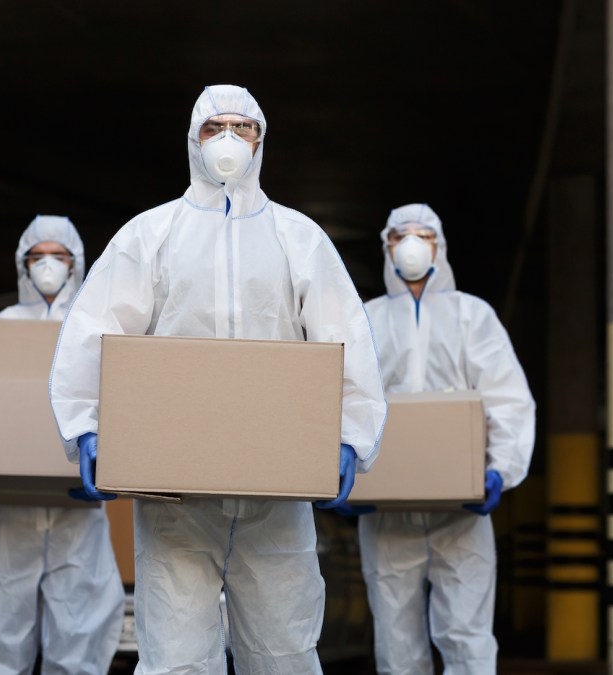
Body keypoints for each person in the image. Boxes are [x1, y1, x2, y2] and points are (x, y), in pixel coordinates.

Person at [48, 84, 387, 674]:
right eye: (214, 128)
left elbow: (346, 337)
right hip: (175, 495)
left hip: (276, 493)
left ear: (260, 141)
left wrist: (352, 436)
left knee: (283, 652)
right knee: (176, 658)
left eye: (243, 128)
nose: (229, 140)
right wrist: (86, 427)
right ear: (193, 140)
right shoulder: (149, 235)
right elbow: (92, 329)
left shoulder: (298, 238)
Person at [0, 215, 125, 675]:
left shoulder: (94, 329)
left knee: (81, 633)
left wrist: (115, 473)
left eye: (59, 256)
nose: (48, 265)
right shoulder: (2, 328)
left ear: (77, 263)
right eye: (38, 256)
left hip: (80, 517)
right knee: (3, 633)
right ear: (22, 264)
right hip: (9, 515)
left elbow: (127, 408)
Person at [347, 203, 536, 675]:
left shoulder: (472, 316)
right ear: (386, 247)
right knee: (396, 645)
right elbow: (340, 402)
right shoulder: (363, 320)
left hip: (462, 517)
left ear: (440, 246)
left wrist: (497, 472)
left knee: (468, 641)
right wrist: (342, 477)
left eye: (422, 234)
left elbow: (509, 399)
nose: (411, 244)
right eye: (399, 236)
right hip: (385, 517)